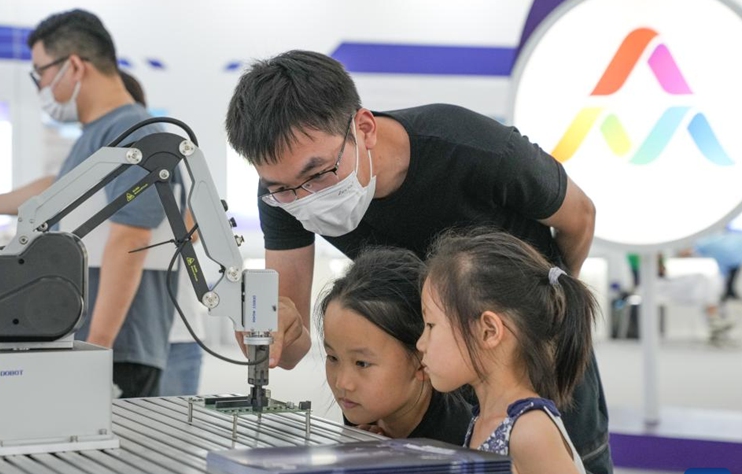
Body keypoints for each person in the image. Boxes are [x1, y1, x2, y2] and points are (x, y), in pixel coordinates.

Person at [225, 50, 610, 472]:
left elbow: (580, 216)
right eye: (283, 188)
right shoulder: (284, 195)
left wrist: (549, 305)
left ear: (364, 128)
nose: (304, 198)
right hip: (433, 389)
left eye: (318, 175)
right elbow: (293, 338)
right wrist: (273, 330)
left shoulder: (471, 148)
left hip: (535, 367)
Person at [0, 9, 179, 398]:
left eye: (40, 72)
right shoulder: (100, 133)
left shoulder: (134, 132)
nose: (39, 85)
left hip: (119, 349)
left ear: (73, 66)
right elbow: (61, 186)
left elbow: (130, 240)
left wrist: (96, 353)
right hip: (88, 343)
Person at [417, 230, 595, 473]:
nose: (420, 343)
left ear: (488, 331)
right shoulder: (484, 420)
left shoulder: (530, 431)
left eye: (430, 326)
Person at [316, 247, 472, 445]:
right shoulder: (364, 409)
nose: (342, 383)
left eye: (362, 363)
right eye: (332, 358)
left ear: (422, 361)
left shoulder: (458, 444)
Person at [118, 68, 204, 395]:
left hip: (176, 333)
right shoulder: (99, 166)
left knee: (173, 437)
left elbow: (193, 227)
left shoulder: (167, 157)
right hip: (129, 334)